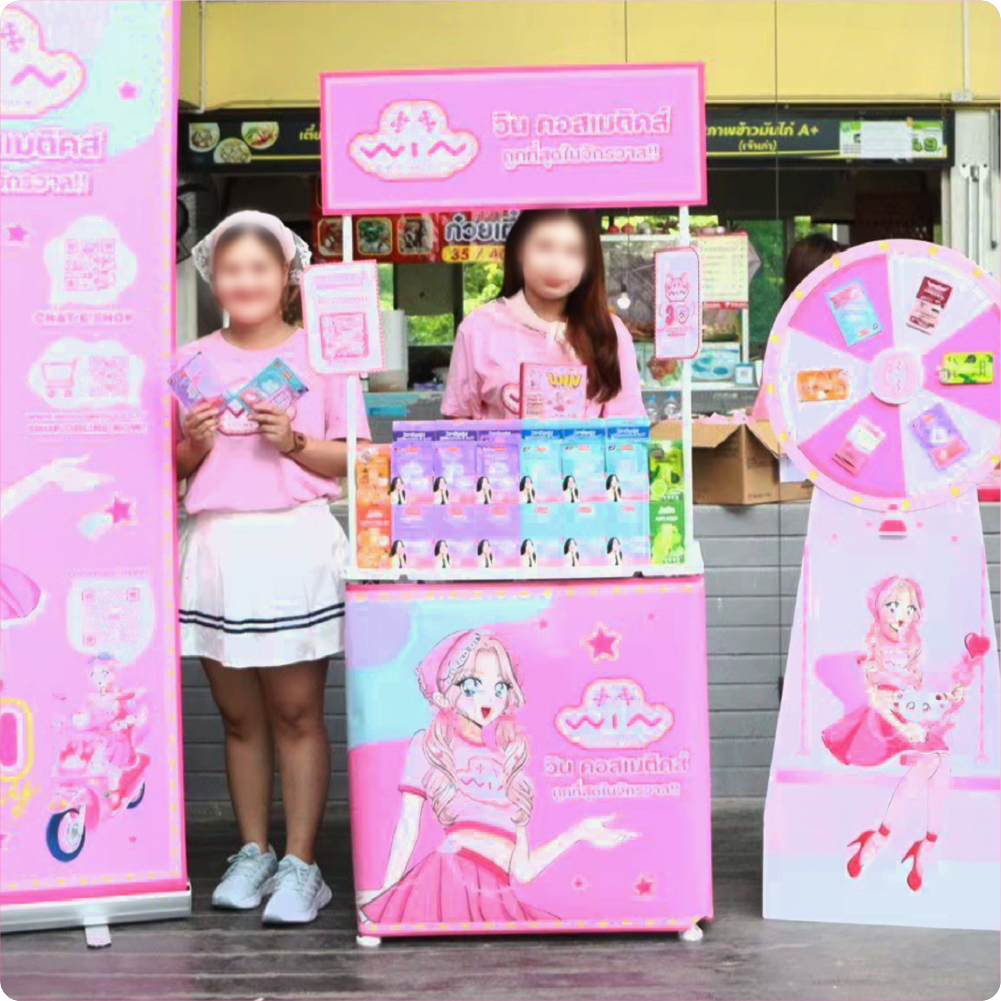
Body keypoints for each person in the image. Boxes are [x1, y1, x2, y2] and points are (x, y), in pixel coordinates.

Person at [175, 210, 371, 925]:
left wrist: (292, 441)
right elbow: (169, 467)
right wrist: (193, 445)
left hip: (294, 544)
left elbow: (355, 460)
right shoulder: (189, 361)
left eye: (259, 268)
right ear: (213, 278)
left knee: (294, 711)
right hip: (217, 546)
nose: (245, 281)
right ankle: (253, 850)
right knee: (237, 716)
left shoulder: (325, 358)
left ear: (287, 277)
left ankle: (302, 863)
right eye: (231, 269)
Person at [356, 630, 636, 926]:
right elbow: (407, 826)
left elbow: (523, 871)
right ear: (445, 692)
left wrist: (577, 833)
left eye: (500, 688)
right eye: (472, 686)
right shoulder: (431, 746)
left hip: (496, 894)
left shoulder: (509, 763)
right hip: (447, 878)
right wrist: (388, 891)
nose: (489, 699)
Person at [821, 577, 985, 891]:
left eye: (909, 608)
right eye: (893, 606)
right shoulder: (872, 647)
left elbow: (918, 691)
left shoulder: (911, 646)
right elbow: (875, 699)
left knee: (942, 761)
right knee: (934, 760)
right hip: (882, 722)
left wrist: (946, 696)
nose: (901, 615)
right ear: (878, 608)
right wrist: (904, 726)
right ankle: (888, 837)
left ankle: (919, 842)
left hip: (909, 716)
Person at [442, 210, 645, 420]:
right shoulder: (478, 328)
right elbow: (458, 421)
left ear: (588, 263)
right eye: (544, 247)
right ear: (519, 249)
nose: (556, 264)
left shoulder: (611, 332)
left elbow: (627, 427)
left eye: (573, 252)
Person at [751, 233, 847, 419]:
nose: (843, 280)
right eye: (834, 273)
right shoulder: (791, 341)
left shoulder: (855, 333)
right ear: (807, 279)